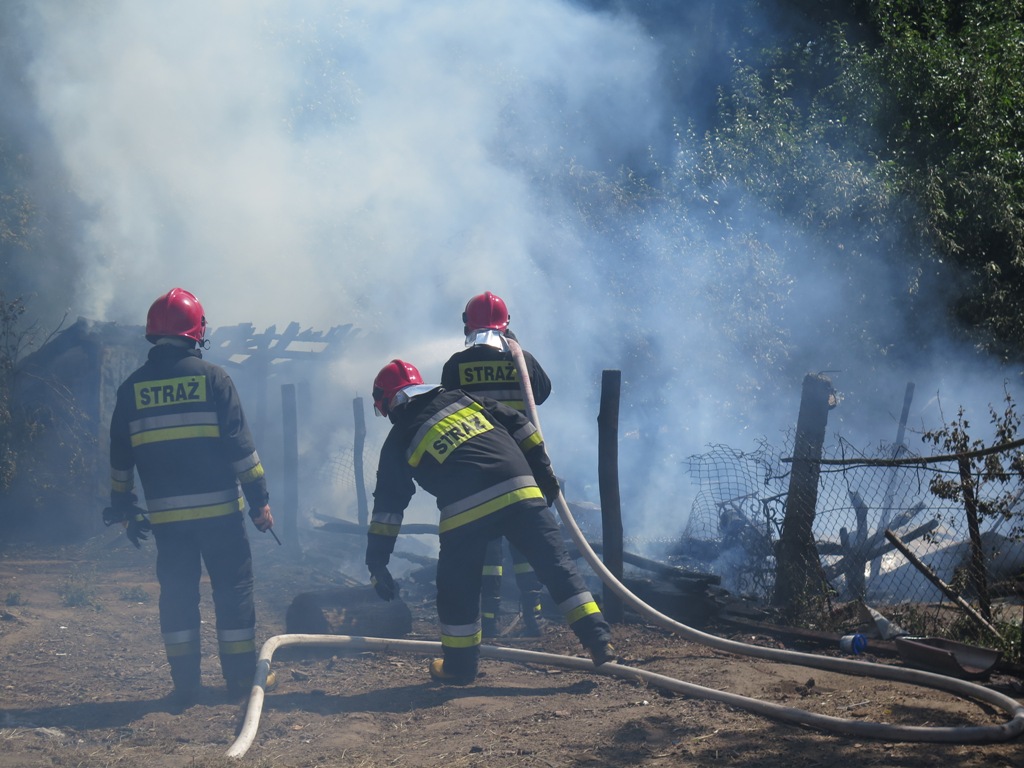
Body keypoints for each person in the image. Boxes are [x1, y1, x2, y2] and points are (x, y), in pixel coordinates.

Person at [365, 359, 614, 685]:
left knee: (457, 590)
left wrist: (377, 561)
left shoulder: (399, 439)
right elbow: (523, 428)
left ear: (389, 405)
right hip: (520, 491)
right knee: (557, 567)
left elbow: (388, 507)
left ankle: (460, 667)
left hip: (465, 511)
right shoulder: (466, 400)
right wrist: (545, 479)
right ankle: (599, 641)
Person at [106, 287, 276, 705]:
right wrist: (259, 502)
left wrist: (125, 508)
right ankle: (239, 683)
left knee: (178, 595)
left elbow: (119, 460)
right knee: (232, 593)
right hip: (220, 516)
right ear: (196, 331)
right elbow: (242, 451)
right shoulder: (214, 378)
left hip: (168, 522)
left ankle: (185, 686)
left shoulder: (131, 389)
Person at [440, 291, 551, 637]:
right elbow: (542, 393)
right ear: (506, 326)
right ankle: (533, 616)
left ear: (467, 324)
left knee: (487, 545)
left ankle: (488, 618)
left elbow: (446, 407)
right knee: (525, 543)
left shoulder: (456, 365)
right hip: (523, 462)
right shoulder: (524, 360)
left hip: (477, 467)